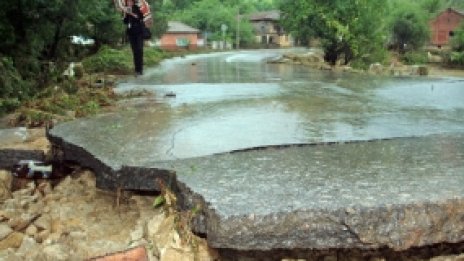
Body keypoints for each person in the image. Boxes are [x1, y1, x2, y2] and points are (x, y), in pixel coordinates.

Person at [123, 0, 144, 76]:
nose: (129, 3)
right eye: (127, 2)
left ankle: (140, 69)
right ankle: (136, 70)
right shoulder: (126, 10)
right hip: (131, 33)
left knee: (139, 50)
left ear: (133, 2)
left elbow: (139, 18)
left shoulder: (137, 8)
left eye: (130, 1)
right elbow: (125, 22)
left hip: (139, 32)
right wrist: (125, 14)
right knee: (134, 51)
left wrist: (130, 13)